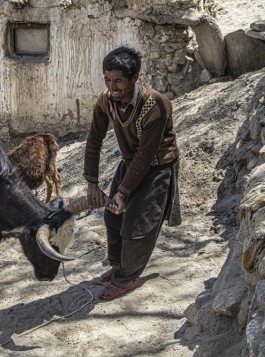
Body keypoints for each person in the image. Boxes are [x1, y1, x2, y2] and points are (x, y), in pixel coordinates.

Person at [83, 46, 181, 300]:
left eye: (118, 81)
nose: (112, 86)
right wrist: (92, 183)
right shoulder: (106, 100)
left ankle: (128, 278)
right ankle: (118, 266)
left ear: (134, 78)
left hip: (157, 165)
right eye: (107, 80)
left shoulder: (155, 104)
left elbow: (146, 156)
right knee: (113, 218)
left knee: (139, 224)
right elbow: (94, 139)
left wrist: (123, 193)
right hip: (130, 162)